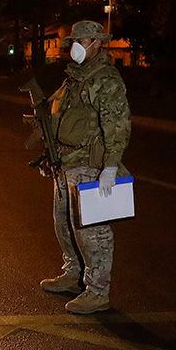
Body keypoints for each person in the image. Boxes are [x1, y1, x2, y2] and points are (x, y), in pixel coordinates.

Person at [40, 20, 131, 314]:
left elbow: (117, 126)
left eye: (81, 41)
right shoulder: (75, 77)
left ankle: (97, 290)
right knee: (64, 223)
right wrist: (48, 155)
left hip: (90, 165)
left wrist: (110, 167)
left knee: (92, 230)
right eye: (73, 42)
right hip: (65, 163)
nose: (74, 47)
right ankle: (73, 273)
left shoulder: (106, 79)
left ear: (96, 42)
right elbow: (60, 117)